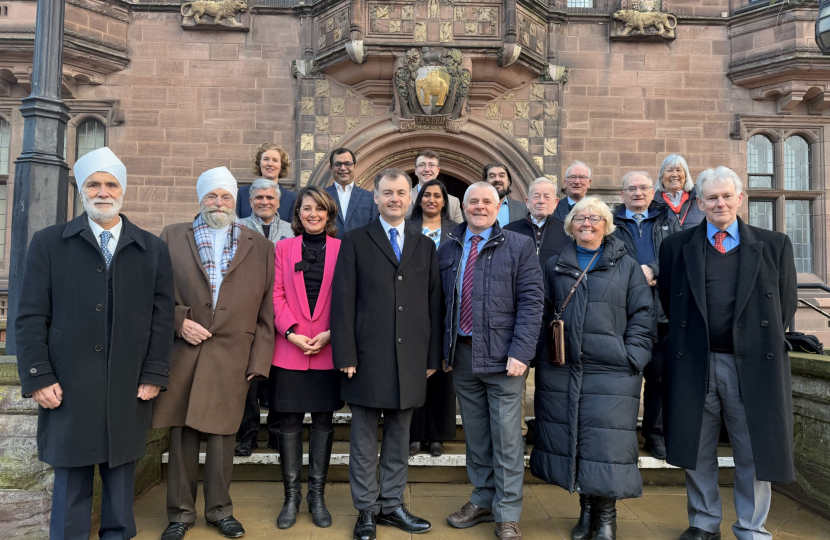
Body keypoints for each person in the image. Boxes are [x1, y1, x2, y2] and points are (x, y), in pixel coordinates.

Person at [15, 147, 175, 540]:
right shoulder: (49, 243)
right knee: (71, 485)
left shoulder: (151, 248)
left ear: (122, 191)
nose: (102, 192)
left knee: (121, 487)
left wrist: (155, 372)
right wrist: (37, 376)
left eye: (110, 184)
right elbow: (31, 314)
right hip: (67, 386)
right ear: (82, 191)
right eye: (94, 185)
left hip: (128, 386)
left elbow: (162, 317)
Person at [658, 167, 797, 540]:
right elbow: (671, 303)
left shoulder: (774, 244)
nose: (719, 203)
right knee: (697, 446)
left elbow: (784, 306)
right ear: (699, 202)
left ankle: (751, 527)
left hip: (751, 364)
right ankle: (704, 522)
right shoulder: (676, 246)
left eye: (726, 196)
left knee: (753, 449)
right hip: (696, 362)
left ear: (740, 198)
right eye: (711, 198)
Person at [153, 167, 275, 540]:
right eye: (211, 196)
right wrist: (179, 321)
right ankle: (180, 515)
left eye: (225, 196)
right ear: (200, 199)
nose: (218, 203)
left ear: (234, 201)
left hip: (233, 354)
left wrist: (259, 360)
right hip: (185, 350)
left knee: (224, 437)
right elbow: (153, 296)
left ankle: (220, 511)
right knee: (183, 436)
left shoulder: (260, 245)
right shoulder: (172, 237)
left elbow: (267, 309)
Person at [531, 196, 656, 540]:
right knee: (577, 441)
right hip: (564, 368)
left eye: (595, 218)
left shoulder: (627, 265)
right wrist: (544, 354)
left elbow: (643, 315)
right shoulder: (555, 264)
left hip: (613, 370)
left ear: (607, 225)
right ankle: (586, 512)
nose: (587, 224)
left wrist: (633, 356)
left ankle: (606, 517)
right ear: (570, 226)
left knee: (608, 447)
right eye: (580, 218)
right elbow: (540, 312)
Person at [331, 168, 443, 540]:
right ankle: (366, 509)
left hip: (411, 359)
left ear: (409, 199)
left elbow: (434, 305)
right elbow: (343, 300)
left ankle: (392, 505)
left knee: (399, 437)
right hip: (366, 356)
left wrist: (431, 358)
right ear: (375, 198)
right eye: (387, 192)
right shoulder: (355, 240)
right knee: (363, 440)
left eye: (400, 192)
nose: (394, 198)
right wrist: (345, 352)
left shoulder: (425, 245)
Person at [439, 182, 544, 540]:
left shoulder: (519, 245)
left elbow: (532, 302)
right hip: (463, 355)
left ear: (499, 207)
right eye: (473, 202)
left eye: (487, 201)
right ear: (463, 206)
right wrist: (443, 350)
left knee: (507, 439)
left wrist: (521, 351)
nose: (480, 207)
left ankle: (508, 513)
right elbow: (441, 303)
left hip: (504, 359)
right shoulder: (449, 244)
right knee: (478, 437)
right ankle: (483, 499)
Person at [271, 186, 343, 530]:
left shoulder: (343, 251)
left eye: (320, 209)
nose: (313, 214)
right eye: (306, 208)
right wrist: (291, 332)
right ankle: (291, 497)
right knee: (288, 424)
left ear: (329, 214)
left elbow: (347, 297)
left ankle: (317, 496)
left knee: (324, 423)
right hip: (289, 349)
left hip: (328, 349)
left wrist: (331, 332)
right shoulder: (283, 249)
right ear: (297, 214)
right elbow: (275, 293)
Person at [611, 171, 680, 460]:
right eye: (631, 189)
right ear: (623, 194)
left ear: (652, 192)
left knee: (660, 379)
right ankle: (622, 437)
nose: (637, 193)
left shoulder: (668, 220)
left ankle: (655, 435)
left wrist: (653, 268)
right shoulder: (611, 222)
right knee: (622, 379)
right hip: (622, 313)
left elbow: (680, 254)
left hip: (662, 312)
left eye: (643, 188)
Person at [504, 176, 570, 453]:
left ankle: (545, 434)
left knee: (550, 382)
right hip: (516, 318)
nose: (541, 201)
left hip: (554, 320)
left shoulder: (568, 232)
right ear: (527, 201)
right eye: (536, 196)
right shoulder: (509, 230)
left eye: (547, 196)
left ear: (556, 202)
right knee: (513, 380)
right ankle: (516, 434)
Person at [235, 177, 294, 457]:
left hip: (281, 310)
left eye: (270, 198)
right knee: (248, 377)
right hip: (247, 310)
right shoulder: (238, 228)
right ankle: (247, 434)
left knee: (279, 376)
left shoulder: (291, 231)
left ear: (279, 202)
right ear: (250, 201)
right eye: (259, 198)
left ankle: (276, 433)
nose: (264, 202)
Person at [406, 178, 458, 457]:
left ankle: (437, 435)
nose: (432, 200)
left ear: (444, 201)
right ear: (419, 199)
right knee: (415, 370)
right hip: (413, 305)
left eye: (437, 196)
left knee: (442, 369)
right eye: (427, 195)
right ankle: (413, 435)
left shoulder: (456, 230)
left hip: (448, 307)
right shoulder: (407, 227)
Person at [324, 148, 379, 238]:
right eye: (338, 164)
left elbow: (374, 230)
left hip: (360, 250)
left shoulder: (370, 198)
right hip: (329, 250)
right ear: (331, 168)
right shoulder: (322, 196)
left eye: (347, 164)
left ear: (355, 167)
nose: (343, 168)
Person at [236, 142, 298, 222]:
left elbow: (292, 230)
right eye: (266, 159)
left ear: (281, 166)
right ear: (259, 163)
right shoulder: (243, 192)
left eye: (275, 160)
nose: (270, 164)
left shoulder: (291, 198)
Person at [405, 149, 464, 223]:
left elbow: (459, 232)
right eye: (421, 165)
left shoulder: (453, 202)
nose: (427, 169)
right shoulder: (404, 198)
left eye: (431, 165)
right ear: (416, 171)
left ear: (438, 171)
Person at [653, 154, 705, 230]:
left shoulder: (701, 198)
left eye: (679, 170)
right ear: (661, 177)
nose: (674, 174)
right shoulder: (652, 203)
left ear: (686, 176)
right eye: (669, 170)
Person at [483, 162, 528, 227]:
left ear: (508, 182)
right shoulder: (475, 208)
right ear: (485, 182)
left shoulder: (523, 209)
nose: (497, 179)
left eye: (502, 176)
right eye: (492, 176)